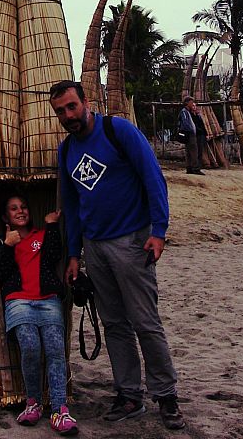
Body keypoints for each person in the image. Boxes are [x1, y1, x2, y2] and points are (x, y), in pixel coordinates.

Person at [49, 81, 185, 431]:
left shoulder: (117, 130)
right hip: (95, 248)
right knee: (114, 325)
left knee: (145, 321)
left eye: (72, 107)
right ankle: (129, 395)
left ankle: (166, 396)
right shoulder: (66, 152)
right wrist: (75, 254)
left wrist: (159, 230)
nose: (68, 115)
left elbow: (153, 177)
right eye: (61, 111)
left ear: (86, 103)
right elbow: (73, 205)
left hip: (132, 242)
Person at [0, 192, 78, 435]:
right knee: (30, 347)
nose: (20, 211)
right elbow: (2, 271)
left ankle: (60, 409)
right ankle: (33, 402)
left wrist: (51, 225)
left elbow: (54, 255)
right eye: (13, 208)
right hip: (19, 302)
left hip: (47, 301)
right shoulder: (3, 242)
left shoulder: (41, 235)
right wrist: (8, 246)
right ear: (5, 216)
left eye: (23, 207)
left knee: (55, 351)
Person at [178, 96, 204, 175]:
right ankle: (195, 168)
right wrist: (190, 131)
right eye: (191, 102)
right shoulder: (184, 112)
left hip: (190, 133)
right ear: (187, 103)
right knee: (193, 151)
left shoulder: (188, 112)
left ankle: (189, 168)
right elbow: (185, 122)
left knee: (189, 151)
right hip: (189, 134)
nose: (192, 104)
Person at [190, 101, 208, 172]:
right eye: (193, 106)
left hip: (201, 135)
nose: (195, 107)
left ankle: (199, 166)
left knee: (200, 151)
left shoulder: (198, 116)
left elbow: (203, 126)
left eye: (195, 106)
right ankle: (194, 166)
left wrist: (205, 134)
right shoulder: (191, 116)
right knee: (195, 151)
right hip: (195, 135)